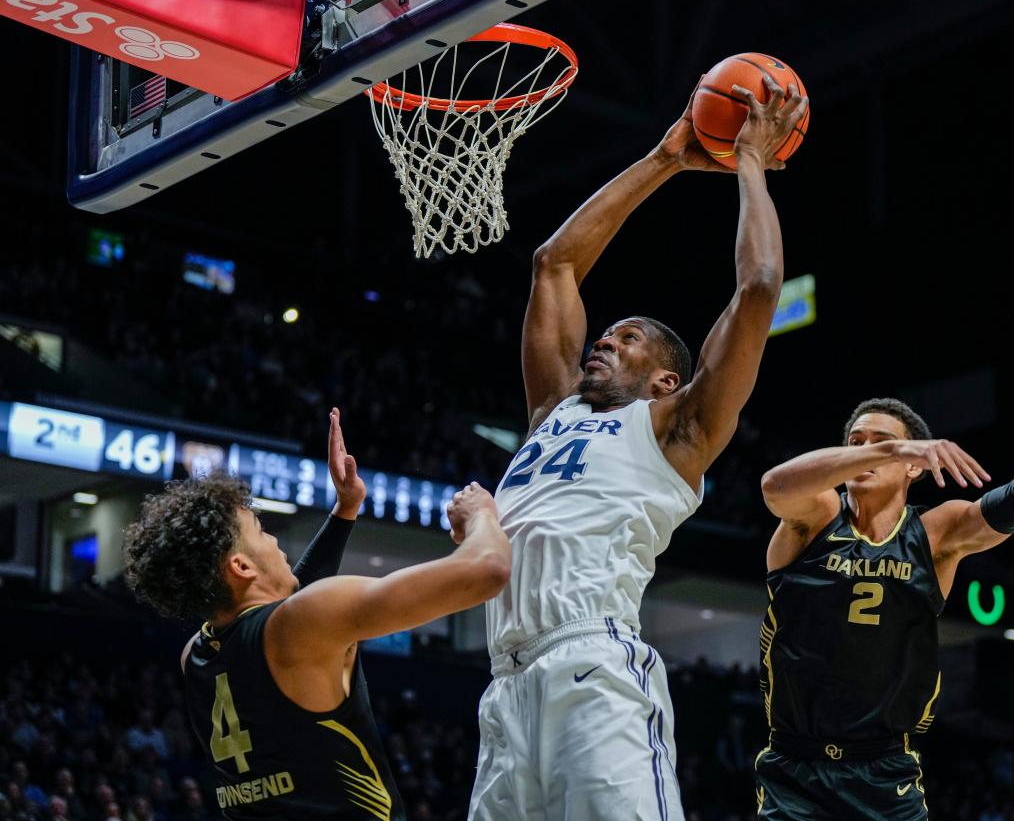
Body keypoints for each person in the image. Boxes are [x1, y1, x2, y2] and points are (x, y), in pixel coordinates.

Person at [468, 77, 808, 821]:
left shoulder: (675, 428)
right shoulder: (550, 412)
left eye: (625, 338)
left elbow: (759, 287)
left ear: (665, 379)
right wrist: (665, 157)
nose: (602, 339)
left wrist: (749, 159)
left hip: (594, 669)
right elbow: (554, 263)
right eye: (605, 331)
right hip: (505, 686)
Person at [755, 321, 1014, 820]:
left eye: (883, 442)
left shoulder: (936, 533)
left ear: (917, 466)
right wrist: (889, 447)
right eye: (856, 441)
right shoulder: (815, 516)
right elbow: (773, 487)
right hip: (795, 770)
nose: (864, 449)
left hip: (885, 771)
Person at [124, 409, 511, 821]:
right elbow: (487, 570)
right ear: (241, 567)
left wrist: (346, 510)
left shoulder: (196, 655)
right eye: (261, 530)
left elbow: (289, 611)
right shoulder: (299, 626)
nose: (274, 539)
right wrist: (481, 514)